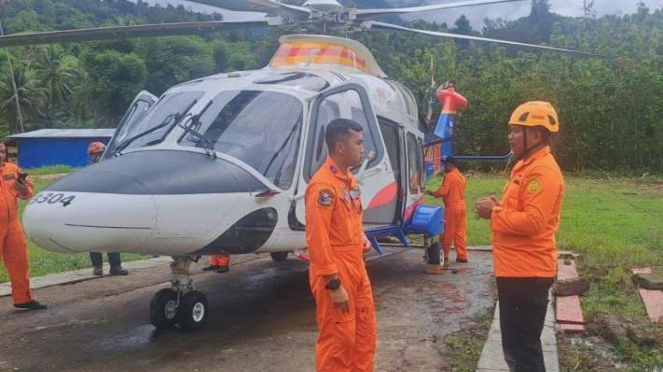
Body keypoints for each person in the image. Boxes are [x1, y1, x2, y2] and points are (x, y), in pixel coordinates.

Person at [475, 101, 564, 372]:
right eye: (511, 130)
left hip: (527, 273)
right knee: (516, 348)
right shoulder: (525, 166)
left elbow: (534, 222)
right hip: (516, 271)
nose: (510, 136)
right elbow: (522, 212)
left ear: (536, 135)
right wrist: (500, 207)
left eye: (517, 131)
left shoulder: (542, 172)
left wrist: (494, 214)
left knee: (522, 350)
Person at [305, 118, 375, 372]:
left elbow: (350, 220)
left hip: (357, 267)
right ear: (340, 147)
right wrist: (333, 284)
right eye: (358, 143)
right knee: (339, 341)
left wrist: (362, 236)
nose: (363, 149)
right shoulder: (323, 186)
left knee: (364, 335)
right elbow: (317, 239)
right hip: (336, 271)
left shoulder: (349, 181)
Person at [0, 142, 46, 310]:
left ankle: (23, 298)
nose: (0, 155)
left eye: (3, 151)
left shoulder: (13, 170)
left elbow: (27, 191)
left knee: (20, 261)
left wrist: (23, 188)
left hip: (12, 223)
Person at [87, 142, 128, 276]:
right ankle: (97, 266)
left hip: (109, 209)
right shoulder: (88, 173)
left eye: (98, 155)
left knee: (112, 236)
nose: (95, 159)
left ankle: (115, 266)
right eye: (93, 157)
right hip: (93, 209)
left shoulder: (113, 171)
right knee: (93, 238)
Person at [425, 156, 468, 263]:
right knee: (460, 233)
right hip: (462, 207)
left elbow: (443, 191)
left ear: (451, 164)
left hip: (452, 208)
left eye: (446, 164)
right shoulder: (462, 177)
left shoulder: (449, 176)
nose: (445, 166)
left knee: (447, 232)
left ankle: (444, 254)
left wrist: (432, 193)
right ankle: (462, 256)